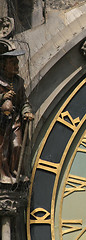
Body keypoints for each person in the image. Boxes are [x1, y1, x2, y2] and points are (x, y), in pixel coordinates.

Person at [0, 49, 33, 183]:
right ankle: (3, 175)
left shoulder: (19, 82)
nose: (16, 65)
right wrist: (2, 97)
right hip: (1, 122)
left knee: (17, 146)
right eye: (13, 63)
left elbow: (24, 101)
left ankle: (15, 172)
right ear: (3, 65)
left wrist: (26, 111)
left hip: (15, 120)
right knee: (2, 149)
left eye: (17, 62)